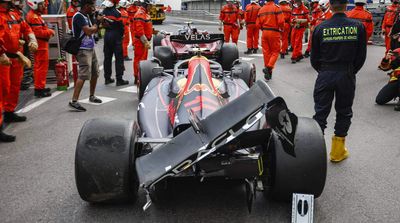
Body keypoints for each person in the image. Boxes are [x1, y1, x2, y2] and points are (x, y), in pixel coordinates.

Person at [310, 0, 367, 162]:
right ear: (346, 5)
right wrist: (350, 70)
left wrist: (324, 71)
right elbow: (361, 56)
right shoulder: (358, 27)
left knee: (320, 112)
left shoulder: (320, 27)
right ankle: (337, 152)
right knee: (344, 111)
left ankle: (314, 153)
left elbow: (314, 58)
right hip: (346, 73)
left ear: (330, 5)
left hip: (325, 73)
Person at [1, 0, 37, 124]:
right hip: (3, 58)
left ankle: (9, 112)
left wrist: (32, 40)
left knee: (14, 86)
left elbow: (26, 28)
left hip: (16, 57)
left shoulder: (13, 15)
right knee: (3, 88)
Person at [69, 0, 103, 111]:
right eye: (92, 6)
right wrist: (97, 24)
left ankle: (92, 96)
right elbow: (89, 31)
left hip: (90, 47)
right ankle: (74, 101)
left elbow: (95, 29)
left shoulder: (87, 16)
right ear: (86, 6)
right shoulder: (78, 16)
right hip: (83, 49)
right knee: (83, 74)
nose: (94, 8)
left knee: (95, 72)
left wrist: (99, 23)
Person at [26, 0, 55, 98]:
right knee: (41, 67)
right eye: (41, 4)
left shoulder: (36, 15)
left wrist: (47, 30)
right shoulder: (33, 17)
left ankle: (40, 87)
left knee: (40, 67)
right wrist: (50, 31)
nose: (44, 6)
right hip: (40, 45)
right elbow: (38, 33)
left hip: (41, 44)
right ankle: (39, 89)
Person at [102, 0, 129, 86]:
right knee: (119, 58)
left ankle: (107, 78)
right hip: (116, 36)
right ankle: (119, 79)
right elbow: (121, 27)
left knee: (107, 58)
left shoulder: (104, 11)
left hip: (107, 36)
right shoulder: (117, 12)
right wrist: (121, 35)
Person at [256, 0, 284, 81]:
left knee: (266, 52)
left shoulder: (261, 9)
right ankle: (268, 68)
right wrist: (281, 29)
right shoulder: (276, 8)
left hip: (265, 32)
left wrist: (263, 29)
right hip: (274, 32)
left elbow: (258, 24)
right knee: (275, 51)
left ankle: (268, 73)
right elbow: (281, 21)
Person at [133, 0, 153, 84]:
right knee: (139, 60)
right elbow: (139, 31)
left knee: (143, 60)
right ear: (145, 5)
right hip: (140, 42)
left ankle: (140, 77)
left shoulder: (145, 13)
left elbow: (146, 27)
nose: (150, 7)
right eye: (149, 5)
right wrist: (145, 42)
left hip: (143, 41)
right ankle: (137, 77)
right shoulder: (140, 14)